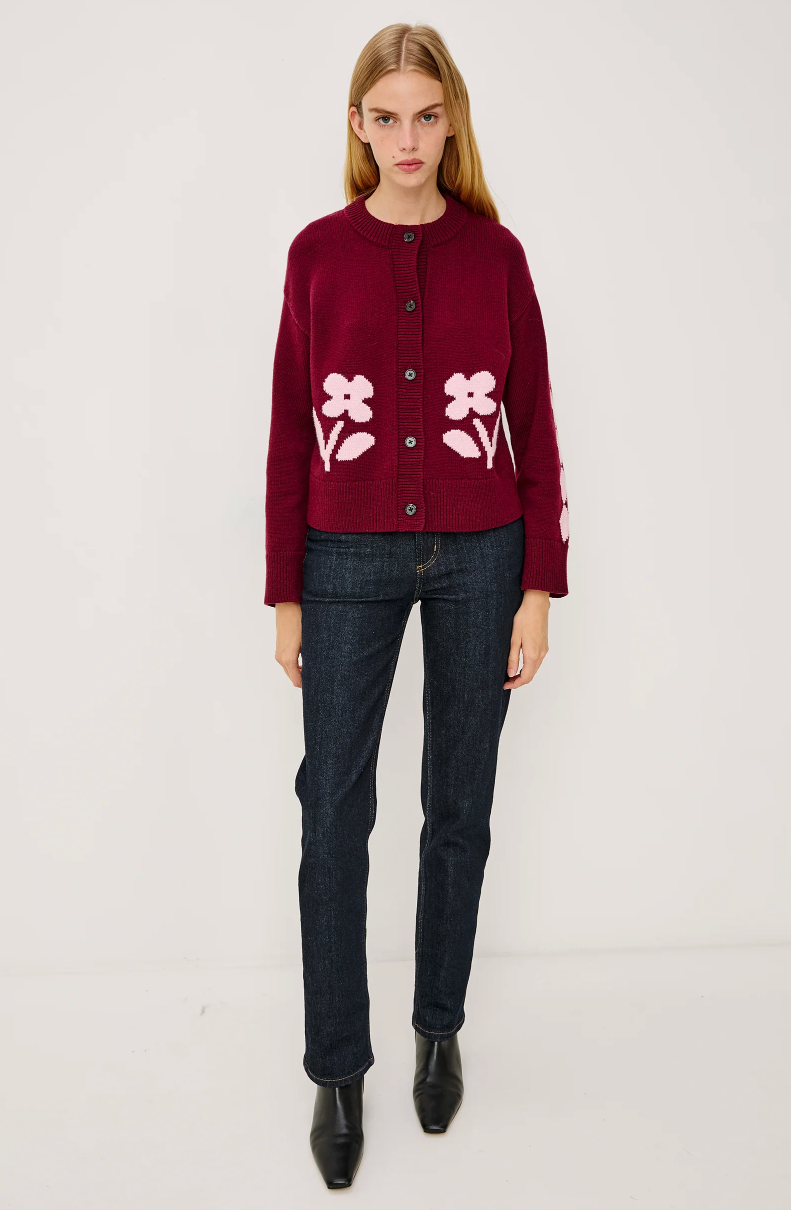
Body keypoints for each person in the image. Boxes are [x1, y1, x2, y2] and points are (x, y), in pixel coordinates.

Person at [263, 22, 570, 1189]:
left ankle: (439, 1027)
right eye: (386, 117)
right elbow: (289, 427)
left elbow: (533, 424)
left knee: (460, 803)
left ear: (453, 123)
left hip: (483, 556)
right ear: (357, 124)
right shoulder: (316, 255)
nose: (407, 138)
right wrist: (286, 594)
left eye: (426, 117)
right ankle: (338, 1068)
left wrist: (539, 581)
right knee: (333, 814)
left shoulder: (497, 256)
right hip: (343, 558)